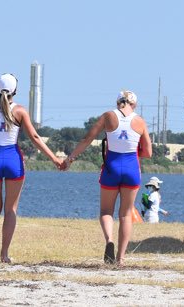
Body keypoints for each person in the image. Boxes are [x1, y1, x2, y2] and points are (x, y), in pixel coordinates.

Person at [0, 74, 60, 264]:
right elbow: (35, 138)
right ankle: (4, 254)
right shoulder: (20, 111)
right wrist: (54, 159)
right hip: (13, 160)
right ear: (16, 91)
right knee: (11, 209)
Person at [64, 90, 151, 266]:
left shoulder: (108, 116)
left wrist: (71, 158)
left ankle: (109, 240)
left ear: (118, 102)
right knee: (126, 215)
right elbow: (148, 152)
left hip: (111, 167)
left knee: (106, 212)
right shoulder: (140, 121)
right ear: (134, 105)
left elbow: (88, 138)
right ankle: (121, 258)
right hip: (131, 169)